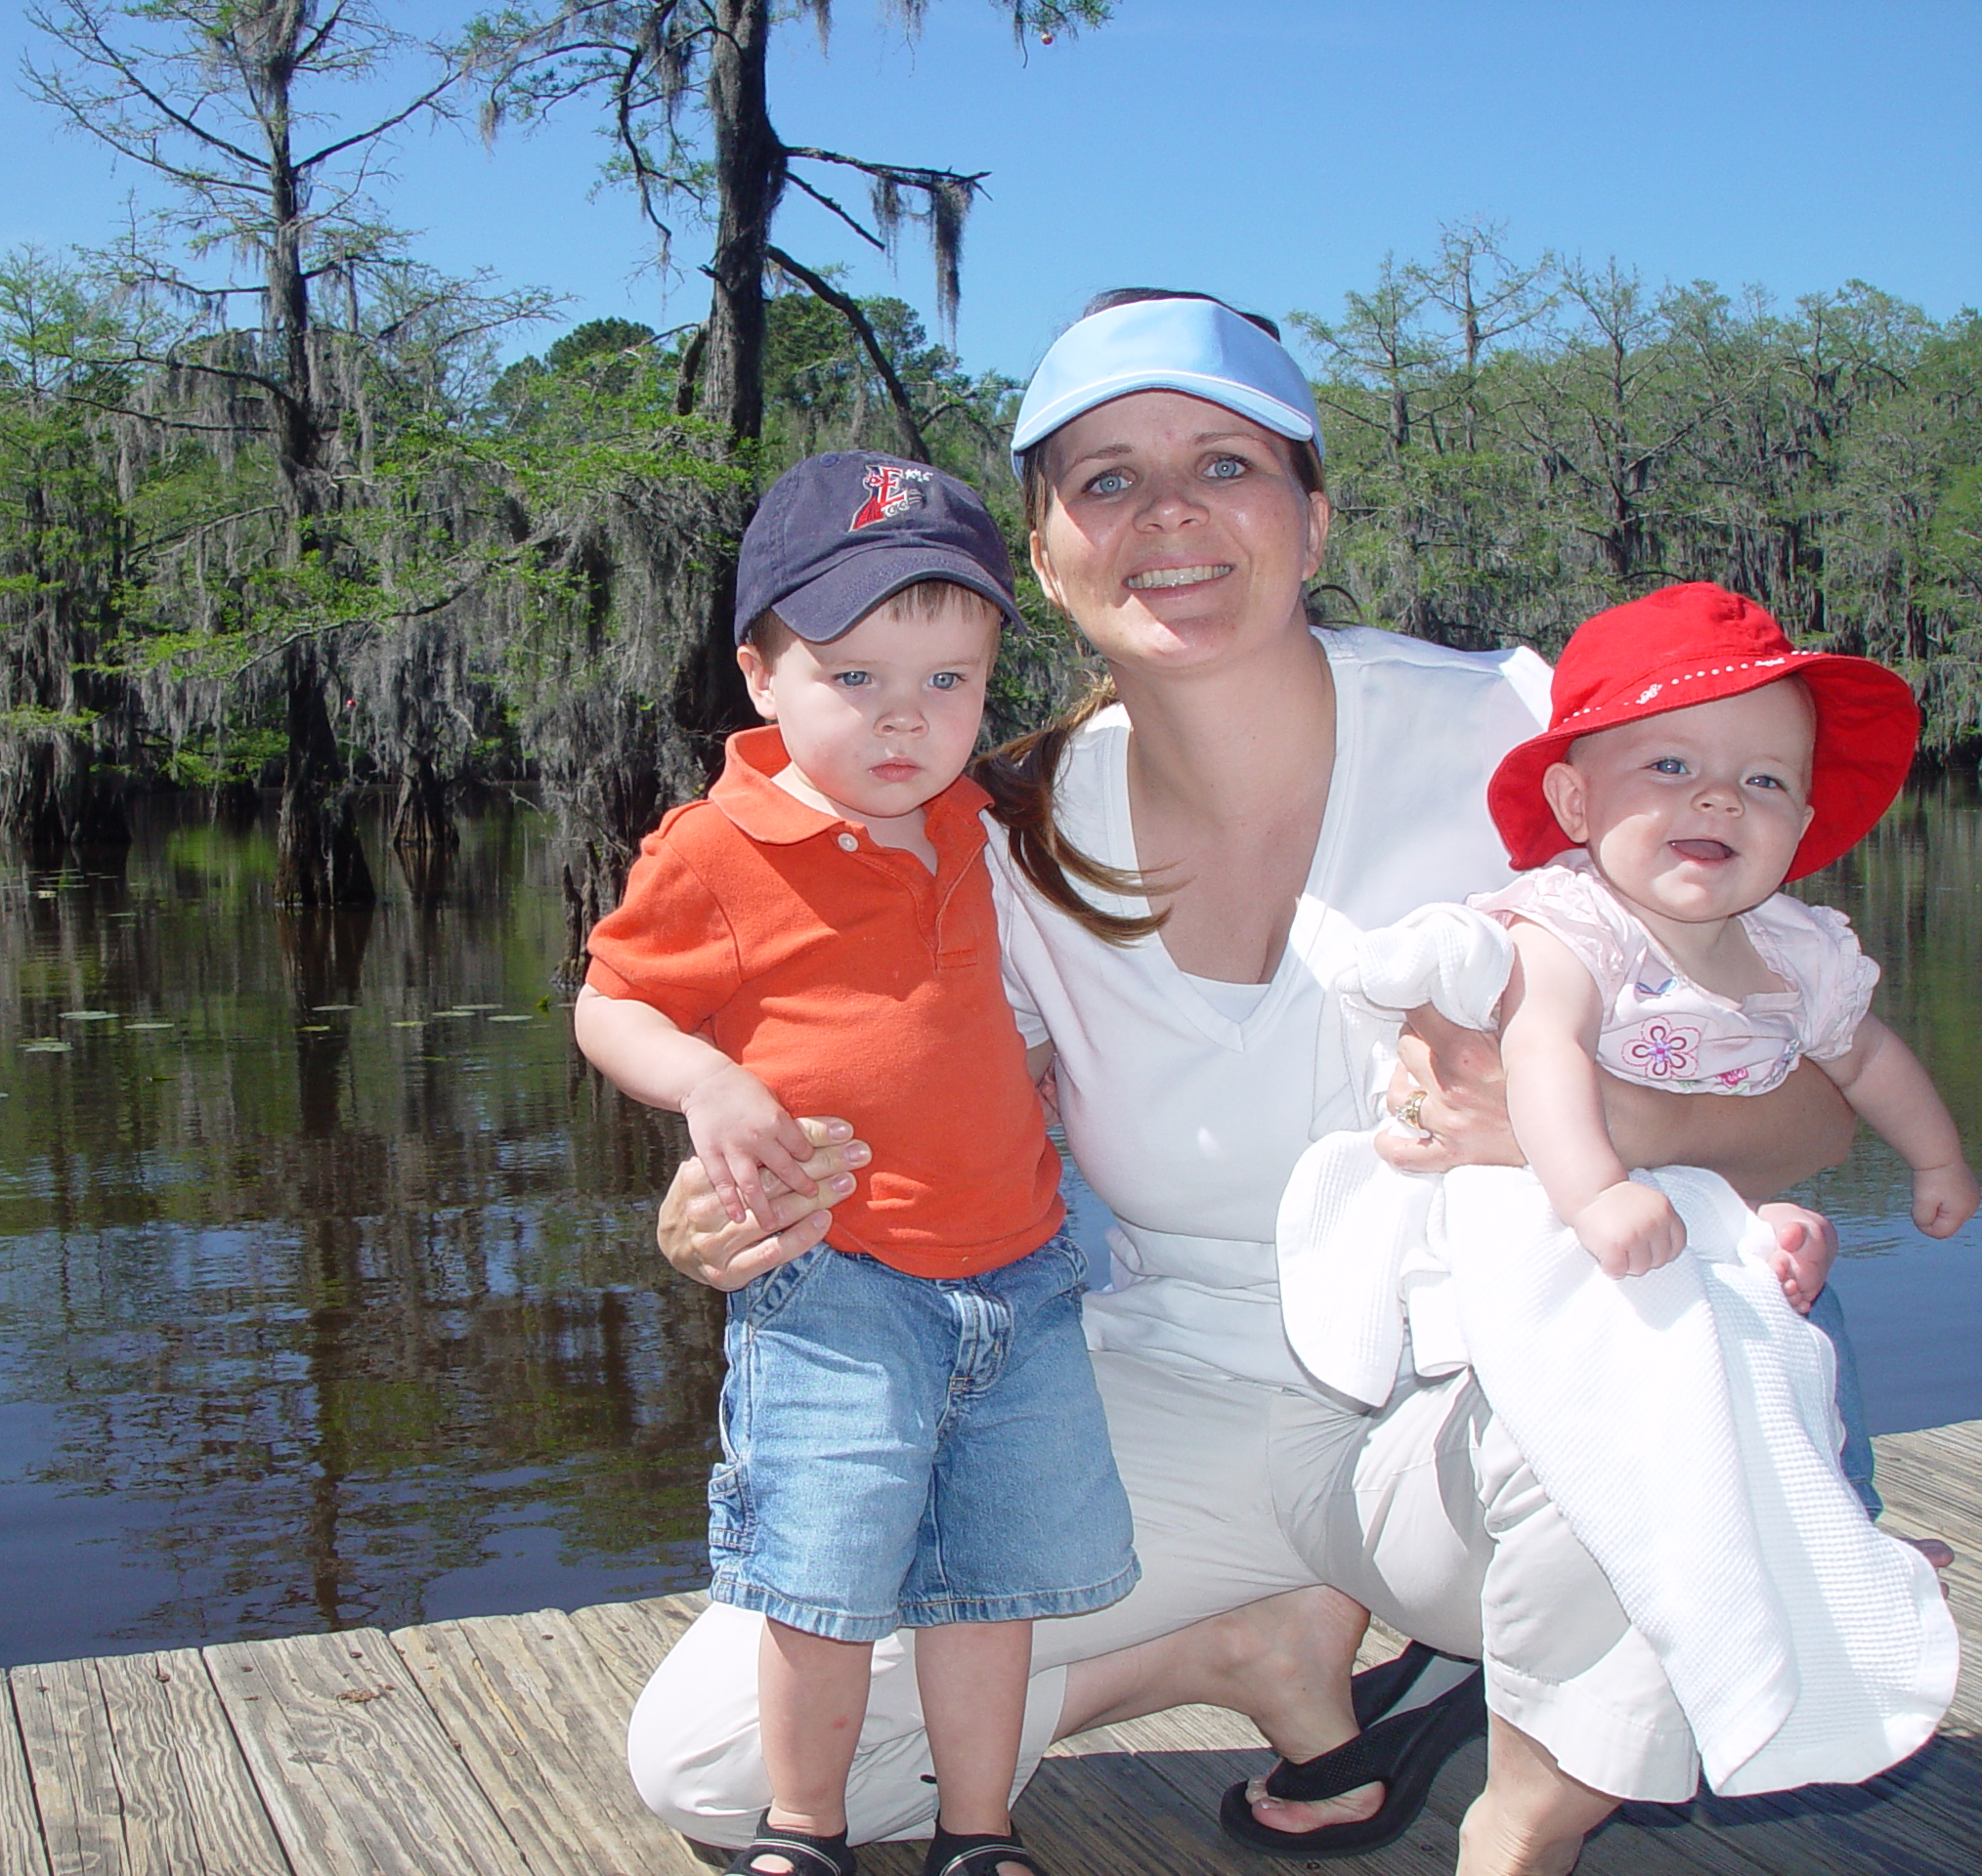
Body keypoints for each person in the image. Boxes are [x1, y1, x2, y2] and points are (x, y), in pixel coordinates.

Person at [625, 292, 1862, 1876]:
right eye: (1107, 480)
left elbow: (1825, 1102)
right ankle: (1247, 1649)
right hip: (1175, 1398)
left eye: (1226, 461)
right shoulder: (991, 841)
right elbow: (879, 1117)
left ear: (1314, 516)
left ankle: (1528, 1754)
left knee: (1707, 1550)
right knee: (721, 1767)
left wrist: (1610, 1124)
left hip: (1466, 1400)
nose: (1172, 516)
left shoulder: (1526, 736)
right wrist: (722, 1207)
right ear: (1045, 556)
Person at [577, 452, 1140, 1876]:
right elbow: (611, 1000)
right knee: (816, 1584)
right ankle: (804, 1829)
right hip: (836, 1286)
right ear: (763, 674)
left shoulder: (984, 819)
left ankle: (978, 1828)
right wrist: (708, 1083)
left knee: (988, 1587)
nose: (906, 718)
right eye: (854, 676)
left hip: (1023, 1280)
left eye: (948, 681)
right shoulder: (717, 847)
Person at [1472, 579, 1978, 1278]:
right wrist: (1597, 1193)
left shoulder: (1798, 952)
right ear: (1576, 802)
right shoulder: (1574, 926)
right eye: (1671, 766)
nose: (1719, 798)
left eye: (1765, 781)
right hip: (1561, 1195)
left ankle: (1758, 1239)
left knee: (1765, 1242)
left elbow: (1868, 1061)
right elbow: (1543, 1048)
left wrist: (1939, 1159)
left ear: (1800, 824)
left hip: (1690, 1198)